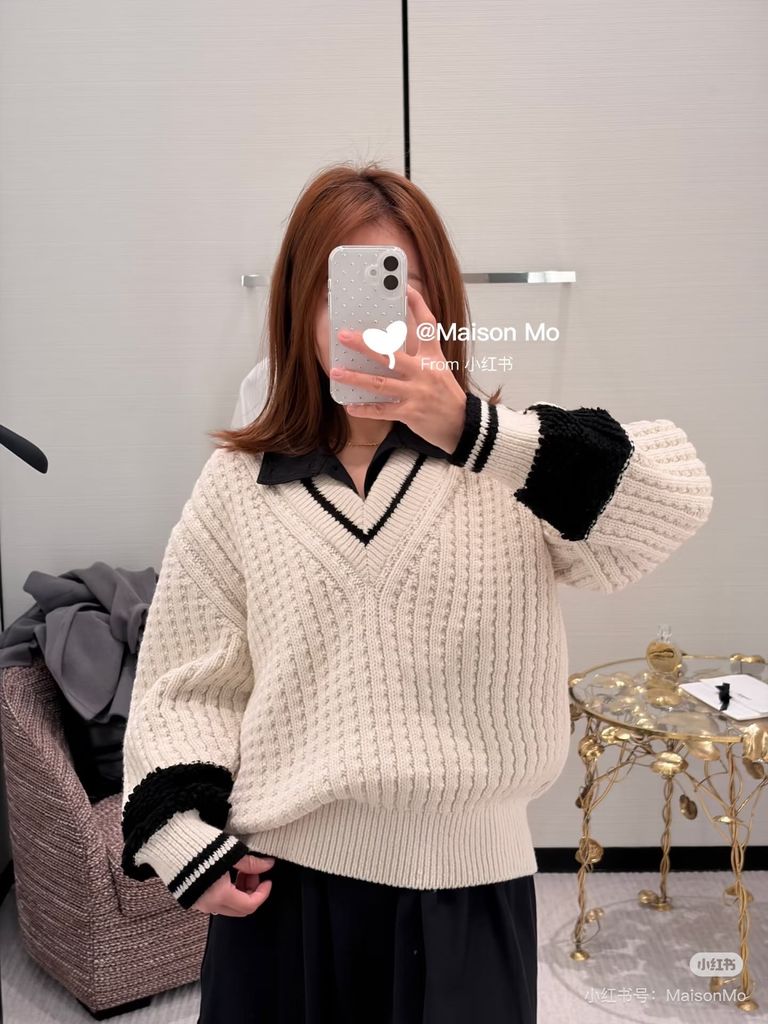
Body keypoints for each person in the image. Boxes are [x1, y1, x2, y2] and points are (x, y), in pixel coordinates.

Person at [120, 162, 714, 1024]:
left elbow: (673, 501)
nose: (373, 318)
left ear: (441, 309)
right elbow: (187, 681)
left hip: (469, 897)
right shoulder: (237, 485)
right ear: (298, 307)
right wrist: (180, 836)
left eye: (400, 288)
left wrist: (474, 430)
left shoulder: (514, 466)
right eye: (345, 290)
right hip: (281, 895)